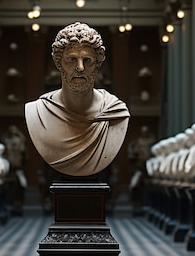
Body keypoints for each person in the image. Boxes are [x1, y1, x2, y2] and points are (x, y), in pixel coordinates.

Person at [24, 22, 130, 177]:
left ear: (98, 64)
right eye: (71, 59)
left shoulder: (115, 112)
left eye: (87, 60)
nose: (80, 67)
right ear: (58, 63)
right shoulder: (37, 111)